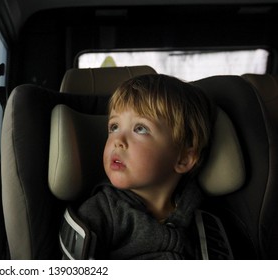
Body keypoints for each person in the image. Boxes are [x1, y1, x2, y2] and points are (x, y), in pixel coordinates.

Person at [77, 74, 214, 259]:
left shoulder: (201, 215)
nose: (118, 140)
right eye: (114, 127)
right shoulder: (99, 213)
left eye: (140, 128)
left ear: (183, 159)